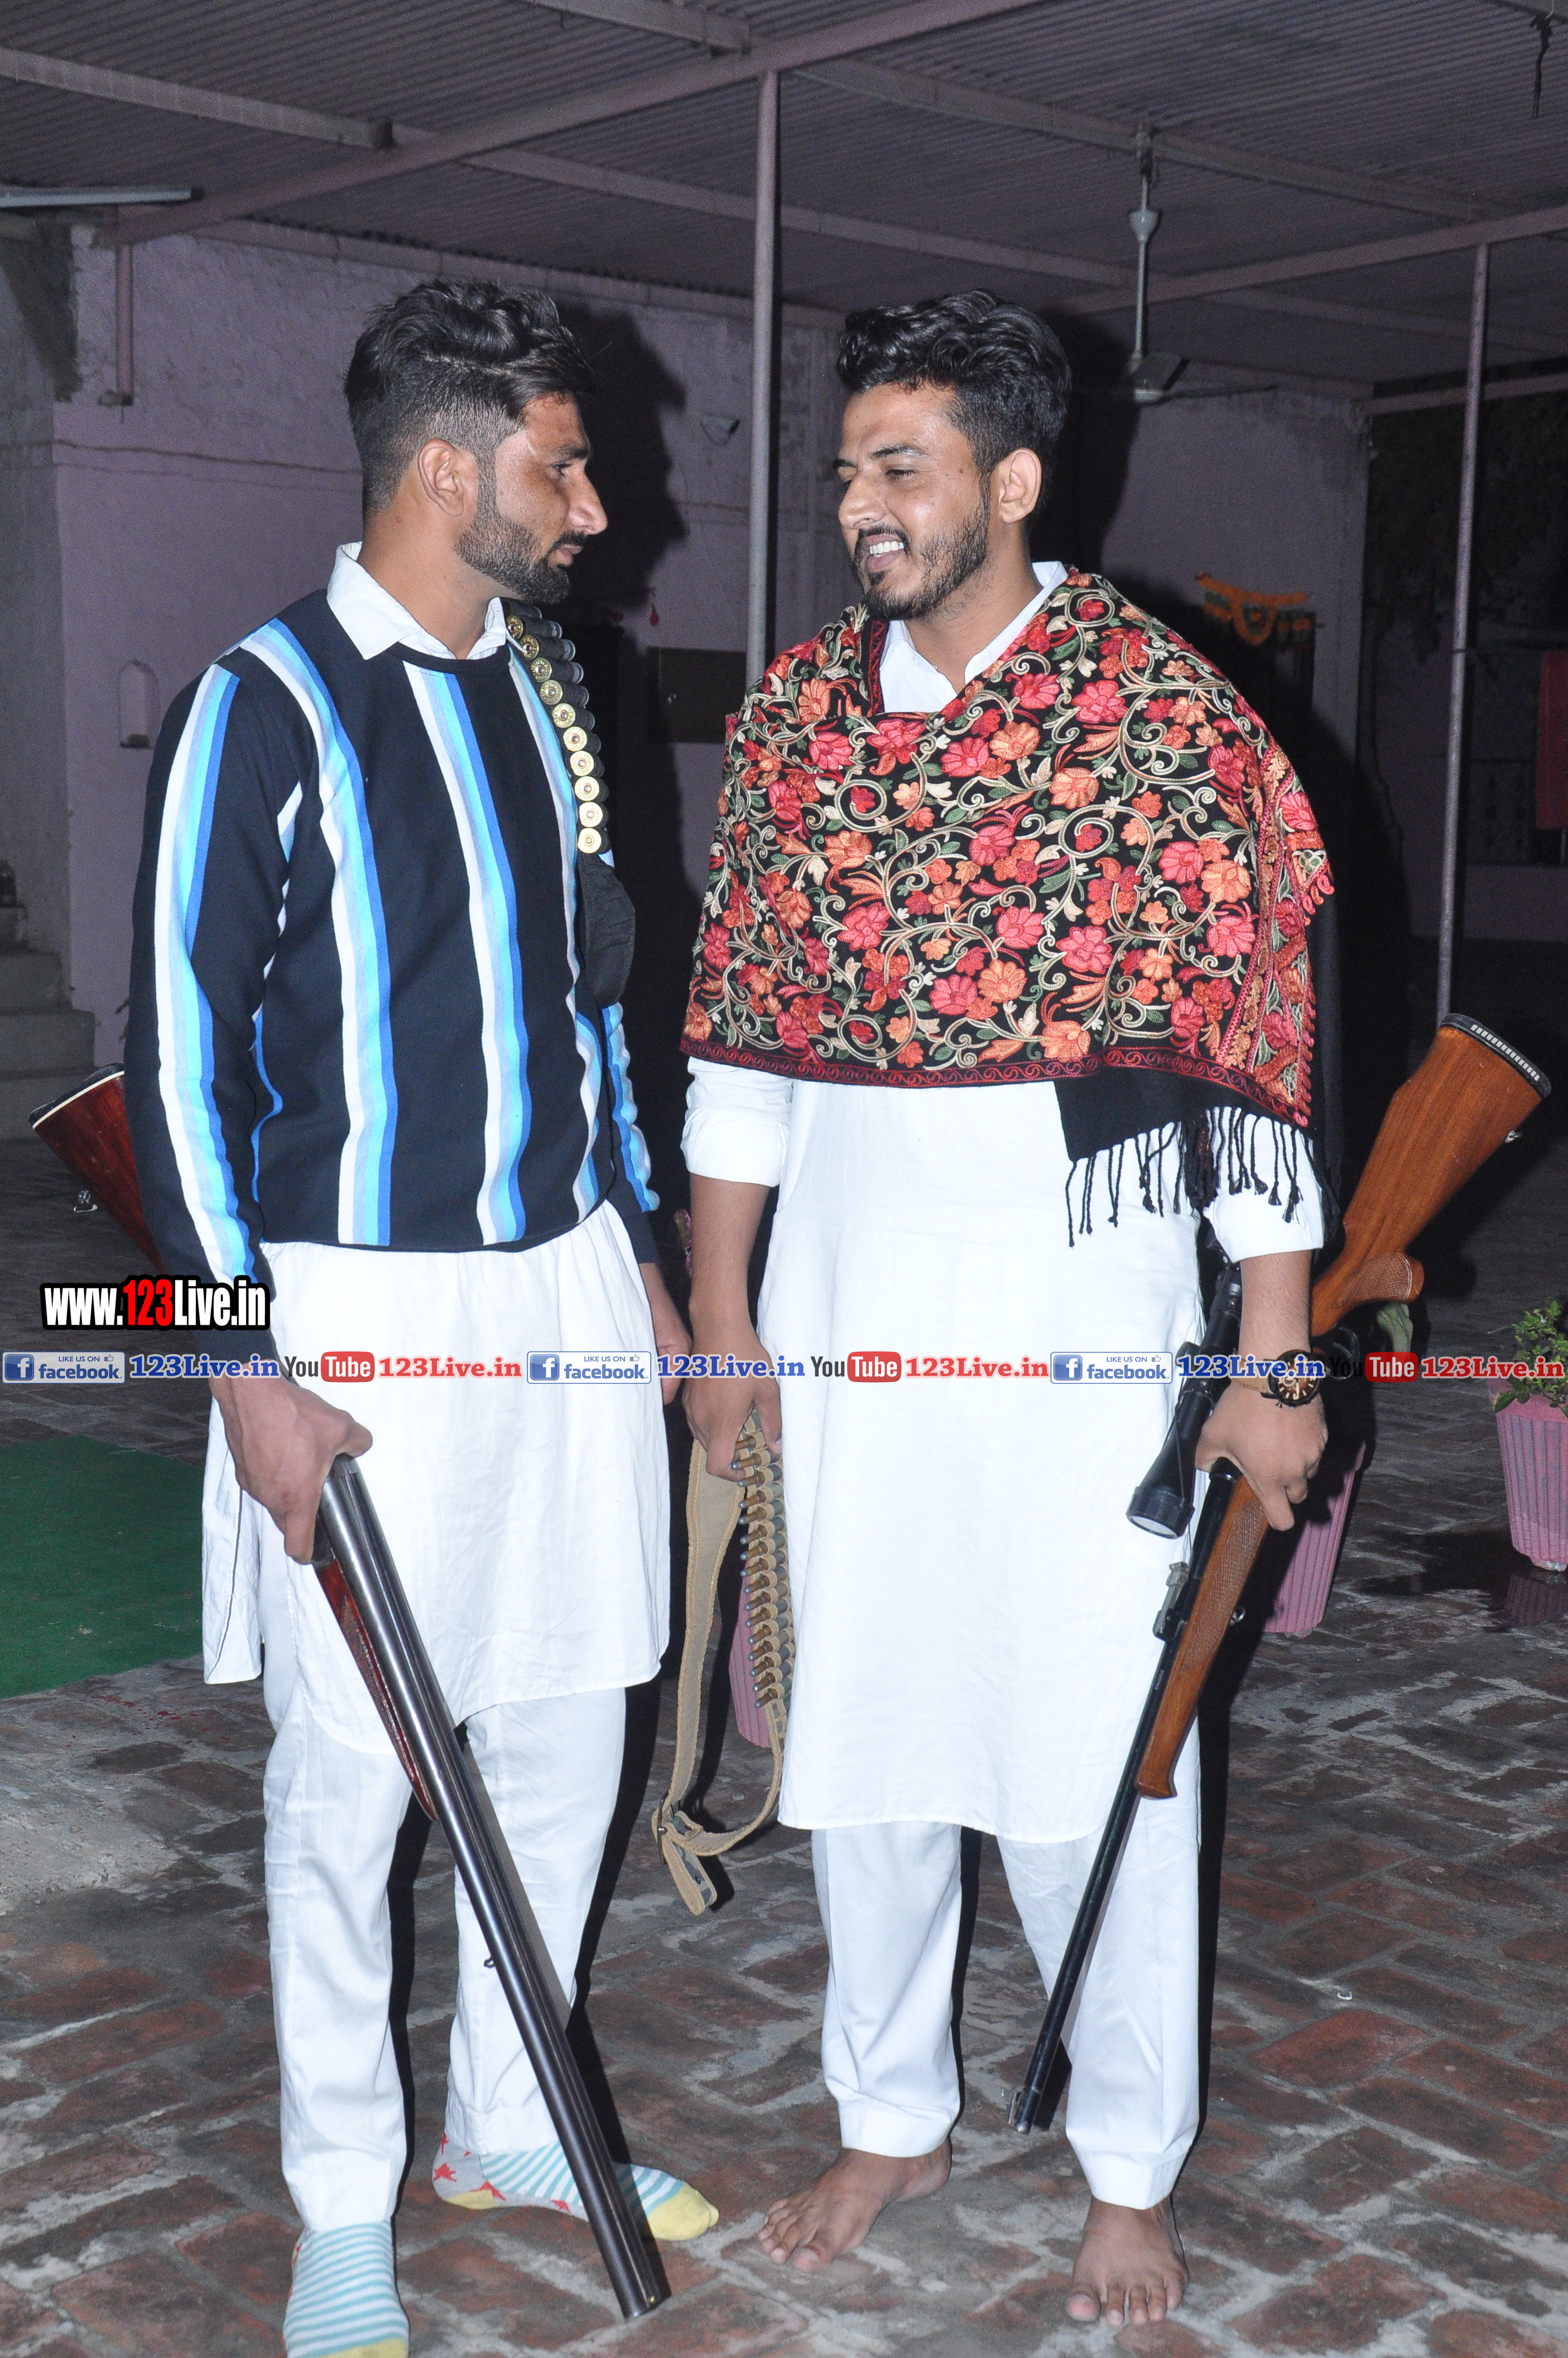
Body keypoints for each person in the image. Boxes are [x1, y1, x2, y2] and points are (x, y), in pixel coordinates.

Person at [680, 291, 1333, 2330]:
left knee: (1094, 1750)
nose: (859, 505)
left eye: (904, 466)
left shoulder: (1163, 722)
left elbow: (1253, 1065)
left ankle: (1127, 2162)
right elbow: (740, 1047)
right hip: (847, 1313)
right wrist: (721, 1309)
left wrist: (1273, 1354)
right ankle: (892, 2115)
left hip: (1087, 1324)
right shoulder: (802, 725)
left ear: (1016, 478)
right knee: (864, 1739)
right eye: (847, 470)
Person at [126, 280, 715, 2358]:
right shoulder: (264, 700)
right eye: (565, 464)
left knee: (565, 1728)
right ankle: (336, 2205)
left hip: (565, 1285)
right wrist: (238, 1368)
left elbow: (594, 1007)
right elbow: (175, 1063)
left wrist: (642, 1254)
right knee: (355, 1778)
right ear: (451, 470)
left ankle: (508, 2129)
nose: (595, 503)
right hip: (355, 1312)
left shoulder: (554, 693)